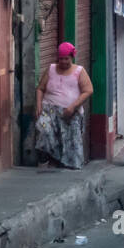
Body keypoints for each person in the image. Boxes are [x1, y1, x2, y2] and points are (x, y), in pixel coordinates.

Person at [35, 41, 93, 169]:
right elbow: (40, 88)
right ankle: (49, 160)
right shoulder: (50, 69)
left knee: (70, 141)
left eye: (66, 58)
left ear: (71, 57)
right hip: (49, 110)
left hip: (70, 113)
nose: (63, 61)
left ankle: (69, 168)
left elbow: (88, 90)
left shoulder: (79, 71)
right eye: (61, 59)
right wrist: (39, 105)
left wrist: (73, 107)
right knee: (45, 131)